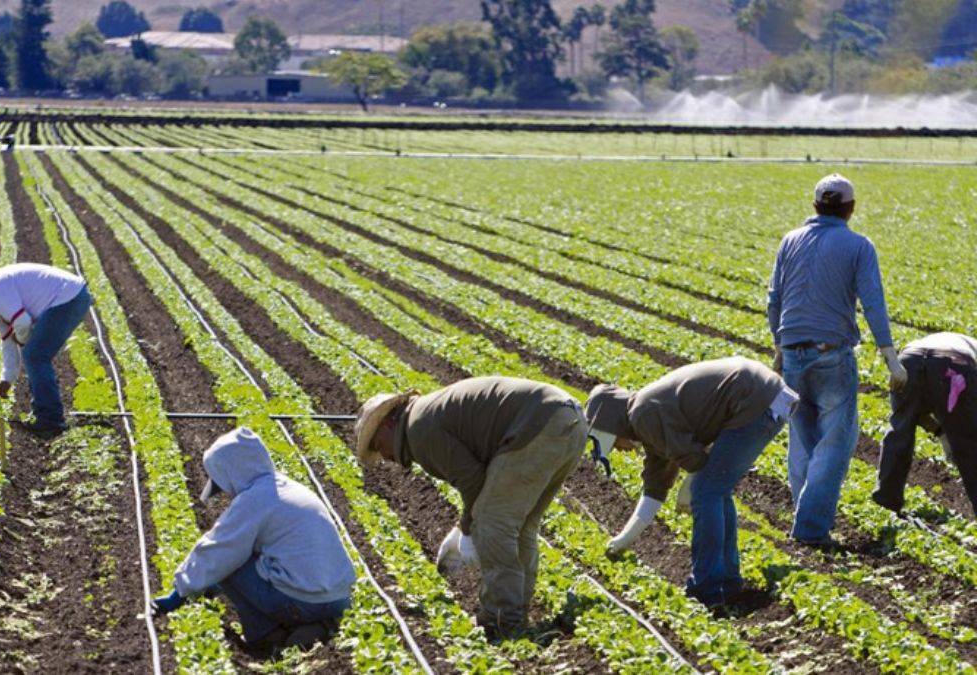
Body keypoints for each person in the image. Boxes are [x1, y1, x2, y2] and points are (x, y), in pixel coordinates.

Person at [354, 376, 587, 638]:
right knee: (520, 526)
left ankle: (501, 622)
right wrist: (464, 526)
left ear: (387, 424)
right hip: (568, 420)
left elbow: (474, 482)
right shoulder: (423, 416)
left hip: (538, 426)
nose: (384, 456)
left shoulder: (419, 430)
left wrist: (467, 529)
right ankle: (515, 614)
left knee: (493, 524)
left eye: (378, 445)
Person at [586, 357, 798, 608]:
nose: (619, 450)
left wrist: (692, 484)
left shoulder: (643, 413)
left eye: (613, 444)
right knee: (715, 490)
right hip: (763, 395)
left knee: (706, 492)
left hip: (754, 399)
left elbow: (693, 458)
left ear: (611, 426)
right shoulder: (645, 417)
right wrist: (624, 539)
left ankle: (706, 588)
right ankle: (727, 582)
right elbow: (655, 488)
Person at [767, 173, 907, 547]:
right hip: (831, 354)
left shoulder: (789, 240)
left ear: (816, 206)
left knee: (802, 438)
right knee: (835, 441)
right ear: (851, 208)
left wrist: (779, 350)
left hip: (792, 351)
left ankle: (804, 517)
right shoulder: (859, 246)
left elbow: (774, 299)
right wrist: (890, 357)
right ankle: (811, 528)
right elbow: (872, 301)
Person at [151, 428, 355, 654]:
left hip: (303, 602)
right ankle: (321, 626)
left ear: (232, 473)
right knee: (247, 556)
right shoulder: (289, 488)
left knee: (230, 564)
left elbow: (218, 551)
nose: (227, 493)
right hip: (340, 599)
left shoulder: (254, 500)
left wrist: (180, 593)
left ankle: (268, 637)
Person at [0, 263, 90, 438]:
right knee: (34, 355)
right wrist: (7, 378)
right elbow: (8, 341)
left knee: (35, 356)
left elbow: (23, 323)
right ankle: (45, 414)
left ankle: (50, 420)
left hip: (68, 298)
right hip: (70, 296)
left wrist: (22, 339)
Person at [872, 332, 977, 517]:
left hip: (909, 360)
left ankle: (886, 501)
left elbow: (916, 413)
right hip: (953, 364)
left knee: (901, 427)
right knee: (967, 444)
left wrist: (940, 432)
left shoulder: (952, 339)